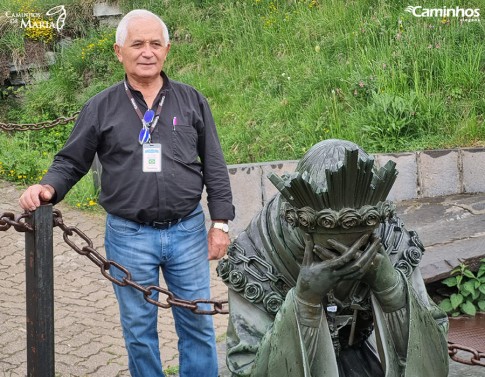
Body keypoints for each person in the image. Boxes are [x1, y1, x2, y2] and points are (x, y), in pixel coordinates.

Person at [19, 9, 235, 377]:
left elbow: (214, 163)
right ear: (119, 52)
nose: (147, 51)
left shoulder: (191, 100)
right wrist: (48, 187)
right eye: (137, 44)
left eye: (155, 43)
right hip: (129, 234)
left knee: (197, 323)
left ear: (167, 50)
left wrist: (221, 224)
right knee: (139, 332)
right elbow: (71, 162)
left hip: (187, 232)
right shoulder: (100, 106)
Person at [217, 139, 449, 376]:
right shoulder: (256, 256)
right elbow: (246, 367)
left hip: (363, 354)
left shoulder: (388, 237)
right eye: (330, 248)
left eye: (359, 244)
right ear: (300, 225)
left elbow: (434, 356)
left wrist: (391, 287)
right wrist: (304, 301)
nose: (347, 258)